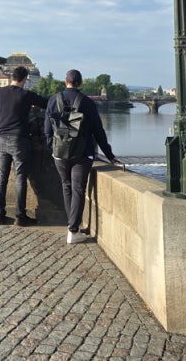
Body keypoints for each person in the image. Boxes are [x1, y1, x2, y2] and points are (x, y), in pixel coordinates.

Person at [44, 68, 120, 244]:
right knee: (78, 189)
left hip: (60, 154)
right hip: (82, 153)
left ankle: (72, 226)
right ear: (81, 83)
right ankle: (73, 230)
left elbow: (47, 130)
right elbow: (98, 131)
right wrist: (109, 154)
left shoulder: (53, 100)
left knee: (66, 187)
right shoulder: (86, 102)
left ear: (66, 82)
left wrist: (54, 148)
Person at [0, 66, 48, 226]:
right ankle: (20, 216)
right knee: (20, 177)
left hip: (1, 139)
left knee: (1, 177)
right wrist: (29, 106)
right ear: (25, 79)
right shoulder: (26, 95)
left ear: (12, 77)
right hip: (19, 140)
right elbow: (47, 104)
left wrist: (2, 110)